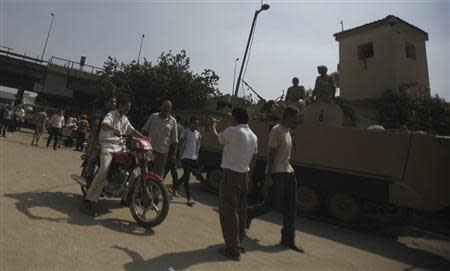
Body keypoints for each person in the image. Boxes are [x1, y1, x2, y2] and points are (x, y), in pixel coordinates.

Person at [246, 106, 304, 253]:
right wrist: (268, 177)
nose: (297, 120)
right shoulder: (276, 130)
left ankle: (288, 240)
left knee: (291, 207)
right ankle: (249, 213)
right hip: (277, 172)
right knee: (273, 204)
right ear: (288, 116)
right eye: (295, 117)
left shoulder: (288, 131)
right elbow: (270, 155)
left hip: (289, 172)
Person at [79, 94, 146, 216]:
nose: (127, 109)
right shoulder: (111, 115)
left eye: (129, 108)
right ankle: (87, 202)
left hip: (120, 148)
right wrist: (113, 129)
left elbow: (132, 130)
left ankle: (126, 198)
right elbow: (104, 125)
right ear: (120, 106)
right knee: (103, 170)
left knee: (134, 170)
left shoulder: (124, 118)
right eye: (126, 107)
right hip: (108, 147)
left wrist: (145, 138)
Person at [211, 107, 258, 261]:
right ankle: (240, 243)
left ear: (235, 118)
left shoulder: (232, 131)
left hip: (231, 175)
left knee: (228, 212)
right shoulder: (253, 136)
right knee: (241, 211)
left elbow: (217, 138)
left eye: (231, 116)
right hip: (245, 175)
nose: (230, 118)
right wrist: (249, 174)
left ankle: (232, 249)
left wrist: (213, 125)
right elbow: (254, 158)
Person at [141, 100, 178, 177]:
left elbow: (174, 140)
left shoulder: (173, 121)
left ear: (170, 110)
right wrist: (139, 139)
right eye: (165, 107)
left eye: (168, 108)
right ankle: (145, 188)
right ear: (161, 107)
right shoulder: (153, 116)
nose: (166, 109)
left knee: (158, 174)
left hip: (163, 153)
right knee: (147, 171)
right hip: (150, 150)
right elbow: (145, 130)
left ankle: (155, 189)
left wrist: (174, 154)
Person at [85, 95, 117, 179]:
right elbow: (95, 128)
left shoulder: (115, 115)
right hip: (97, 139)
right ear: (106, 102)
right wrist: (94, 141)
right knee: (93, 157)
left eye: (115, 102)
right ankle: (88, 176)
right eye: (111, 101)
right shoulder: (100, 113)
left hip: (108, 142)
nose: (113, 103)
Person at [174, 116, 201, 206]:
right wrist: (177, 153)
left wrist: (196, 155)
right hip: (185, 157)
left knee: (186, 177)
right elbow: (180, 142)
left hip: (193, 158)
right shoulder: (185, 131)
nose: (196, 125)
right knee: (187, 176)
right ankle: (189, 198)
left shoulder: (198, 134)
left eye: (197, 124)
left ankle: (175, 187)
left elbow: (198, 146)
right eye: (194, 123)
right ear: (191, 123)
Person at [166, 115, 184, 197]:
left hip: (170, 152)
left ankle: (174, 189)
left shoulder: (173, 127)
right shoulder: (181, 128)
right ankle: (174, 189)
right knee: (173, 172)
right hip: (175, 153)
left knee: (168, 170)